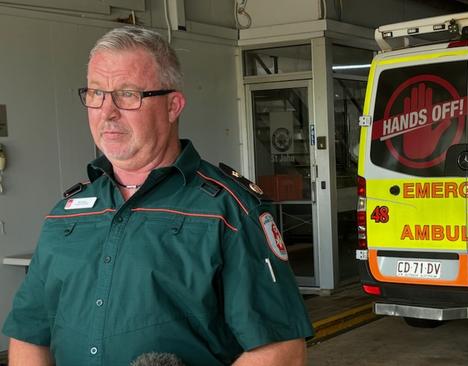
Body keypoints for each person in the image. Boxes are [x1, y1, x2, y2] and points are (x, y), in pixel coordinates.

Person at [2, 26, 313, 365]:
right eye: (96, 94)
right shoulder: (67, 215)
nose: (107, 112)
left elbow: (280, 350)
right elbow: (30, 335)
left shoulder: (229, 211)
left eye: (128, 94)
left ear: (172, 106)